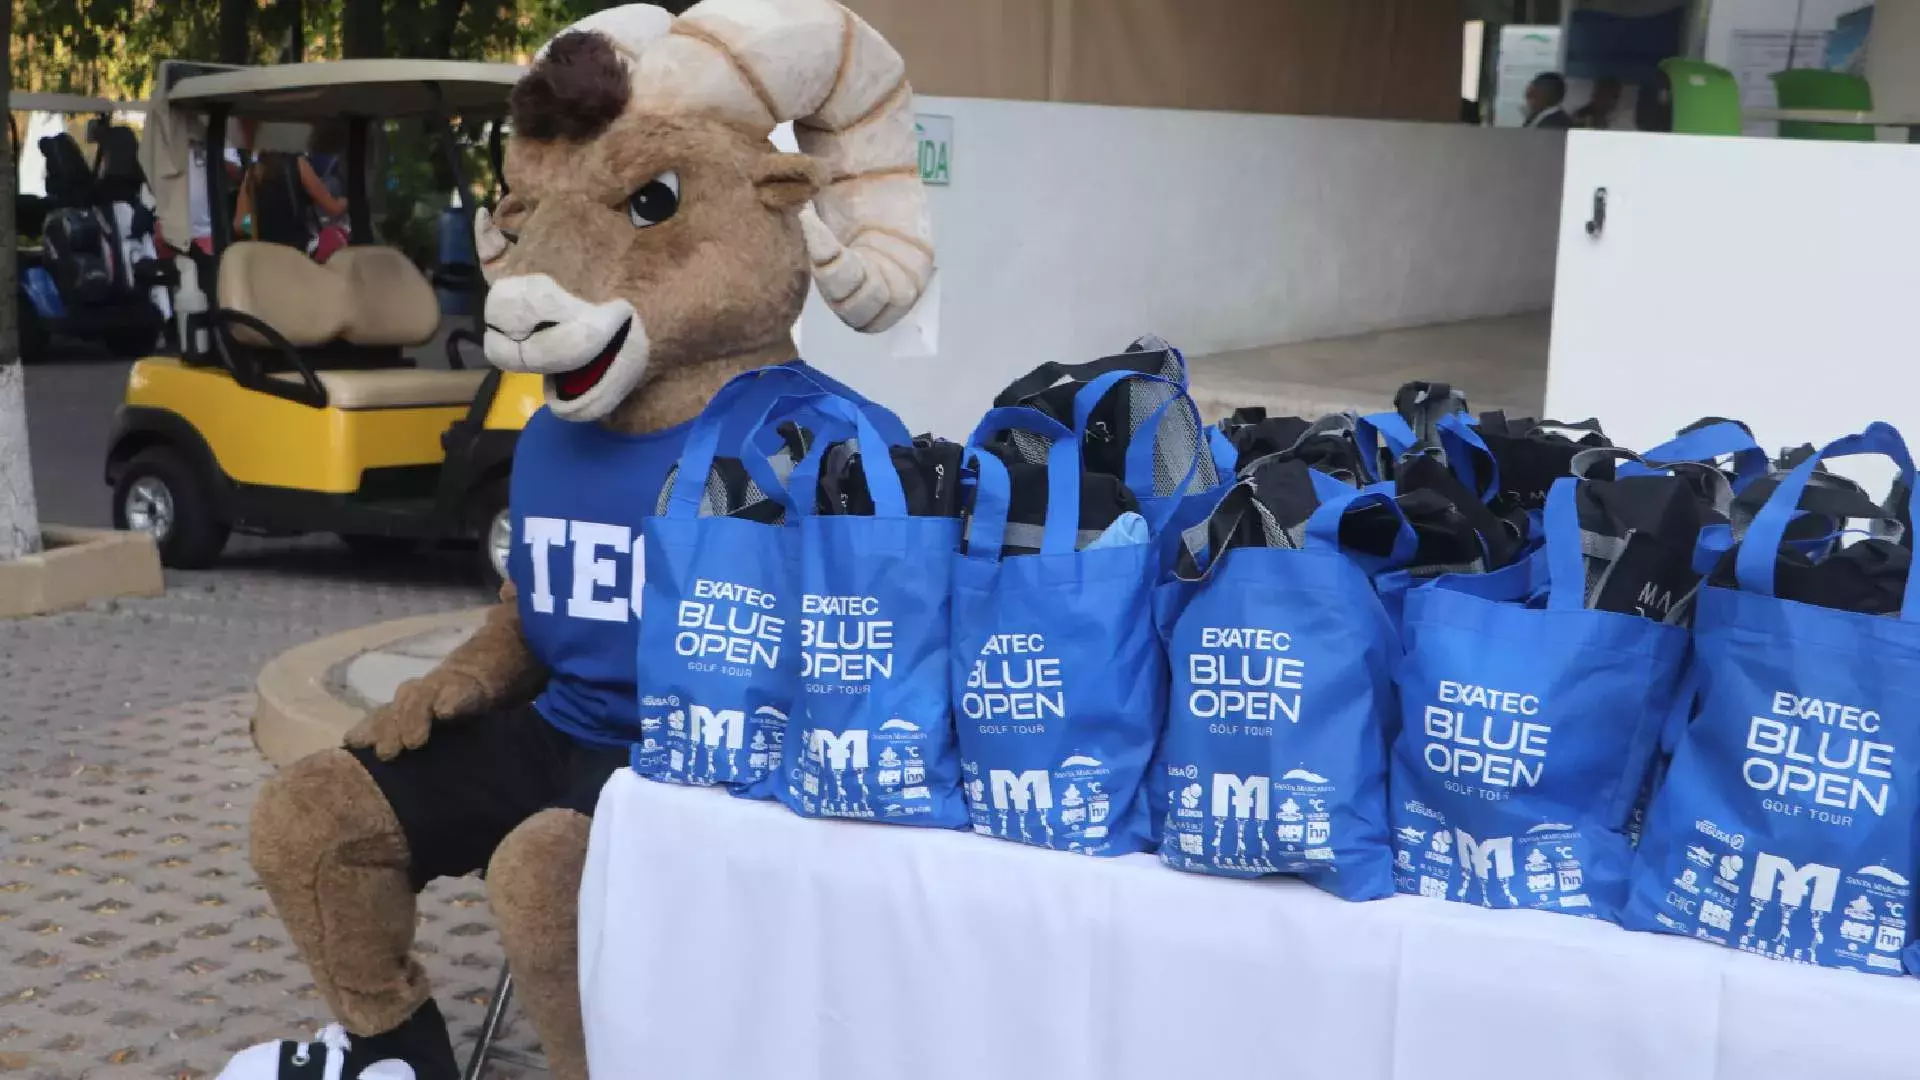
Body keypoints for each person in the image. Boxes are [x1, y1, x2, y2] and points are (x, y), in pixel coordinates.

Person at [234, 147, 348, 252]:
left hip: (268, 254)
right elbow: (333, 208)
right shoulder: (298, 164)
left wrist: (260, 224)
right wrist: (348, 201)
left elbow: (239, 224)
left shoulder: (253, 172)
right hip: (299, 251)